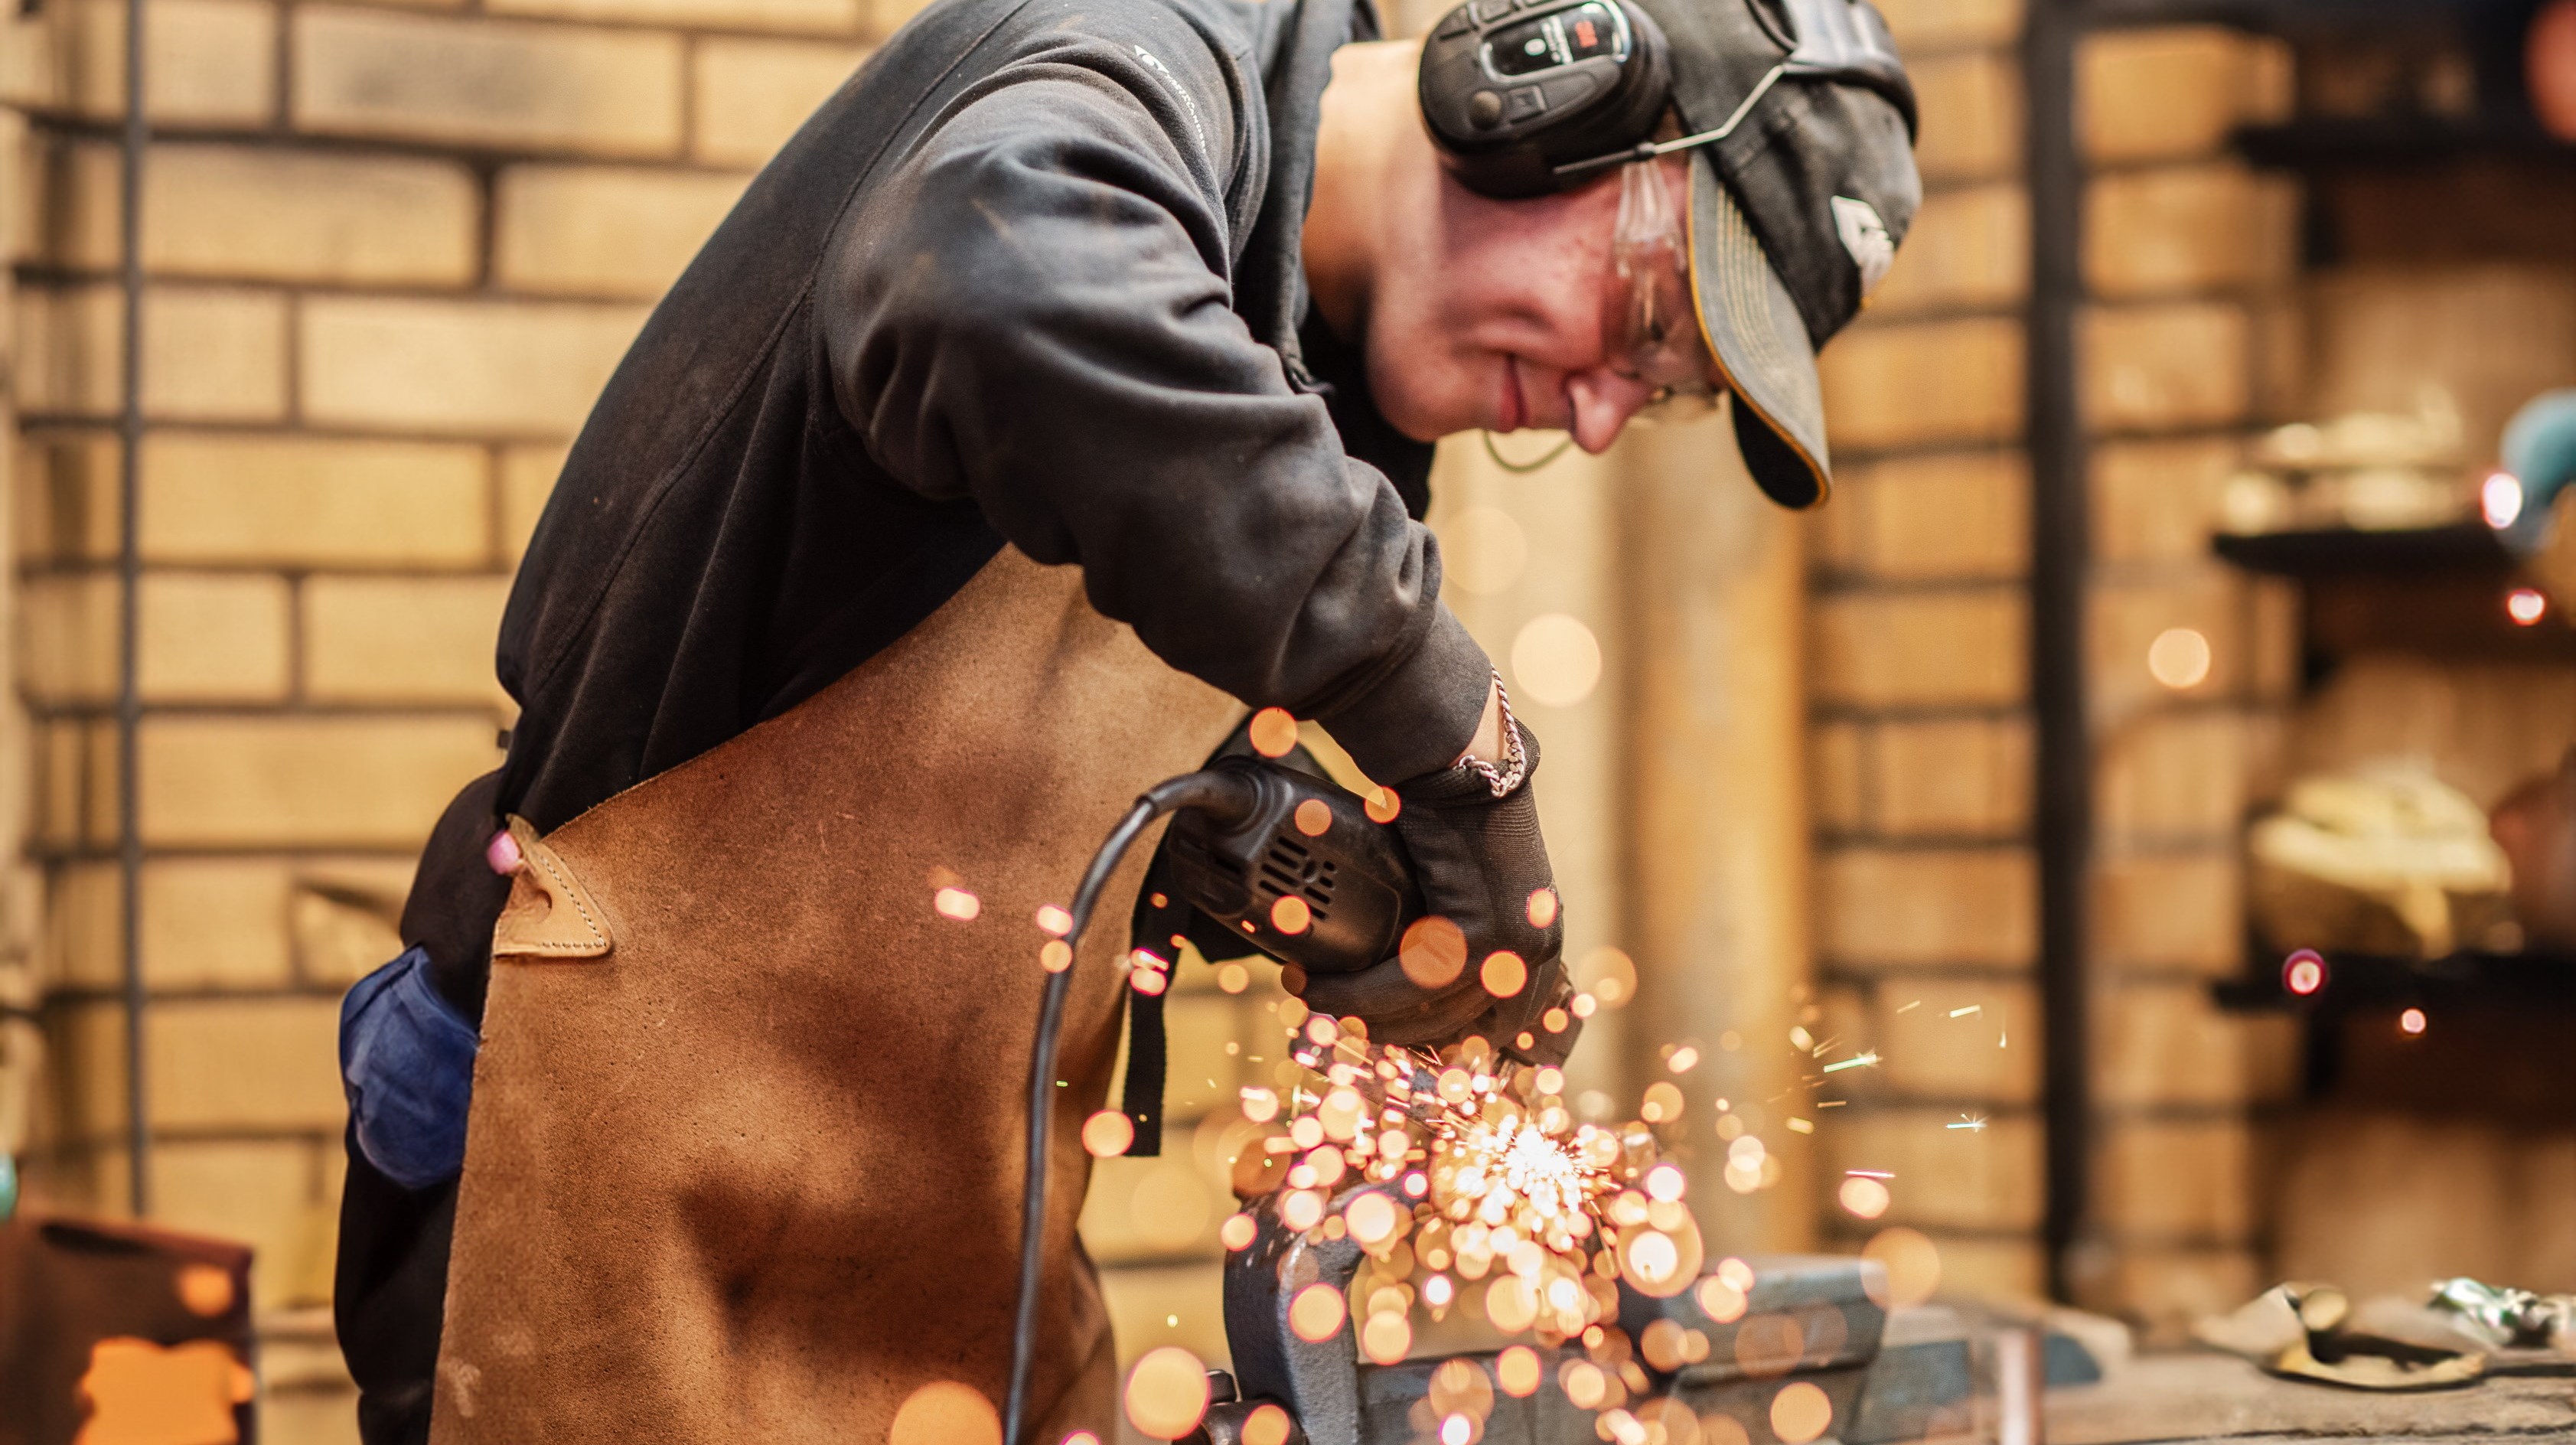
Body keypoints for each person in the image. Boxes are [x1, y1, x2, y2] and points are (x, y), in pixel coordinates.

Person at [330, 0, 1918, 1437]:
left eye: (1666, 391)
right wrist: (1462, 727)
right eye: (1645, 322)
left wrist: (1274, 874)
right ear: (1539, 88)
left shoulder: (1331, 389)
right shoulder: (1150, 64)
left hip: (934, 1227)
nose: (1596, 411)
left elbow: (959, 769)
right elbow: (992, 280)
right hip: (602, 1163)